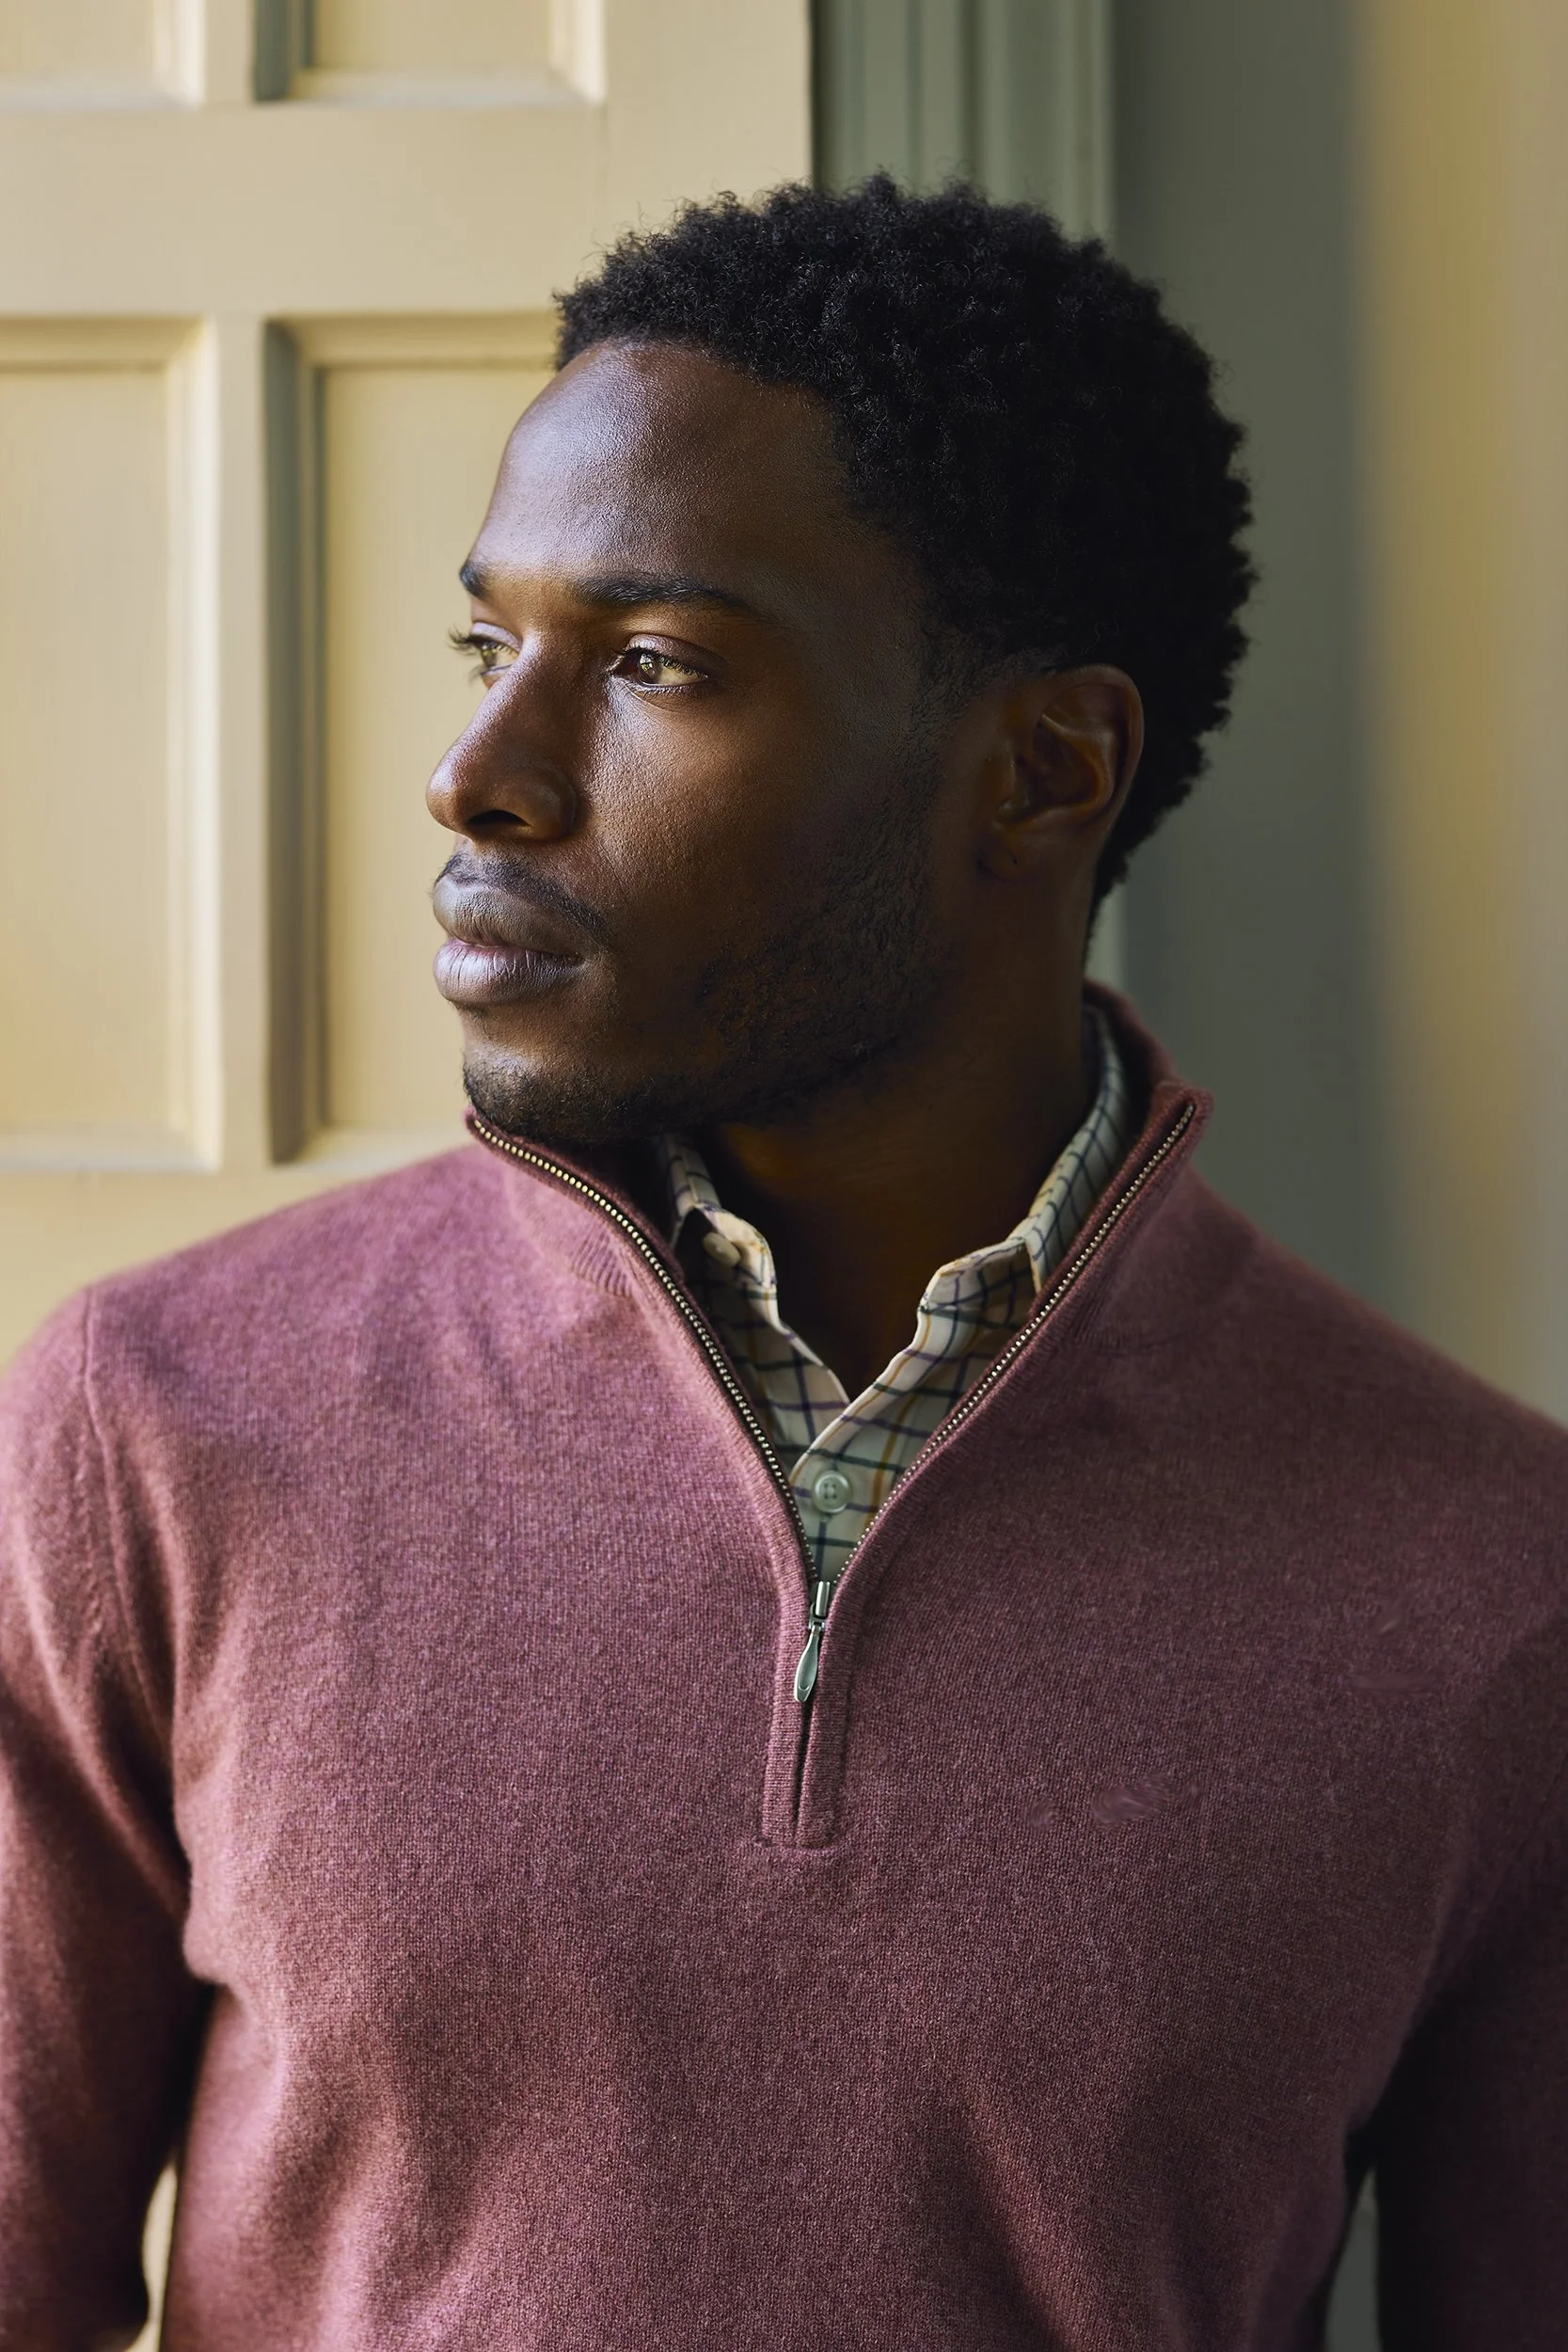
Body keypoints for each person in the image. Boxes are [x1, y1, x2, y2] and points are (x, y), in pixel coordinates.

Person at [2, 177, 1565, 2350]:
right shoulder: (154, 1418)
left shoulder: (1491, 1579)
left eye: (650, 663)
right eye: (490, 646)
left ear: (1040, 769)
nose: (478, 774)